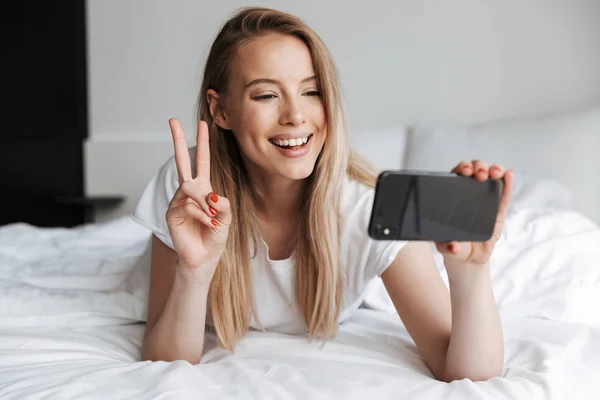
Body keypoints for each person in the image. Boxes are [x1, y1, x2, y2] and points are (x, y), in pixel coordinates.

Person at [132, 6, 514, 383]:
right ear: (221, 111)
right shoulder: (194, 189)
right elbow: (166, 360)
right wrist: (194, 272)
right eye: (266, 95)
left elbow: (467, 372)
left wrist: (470, 273)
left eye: (311, 91)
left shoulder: (366, 206)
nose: (296, 115)